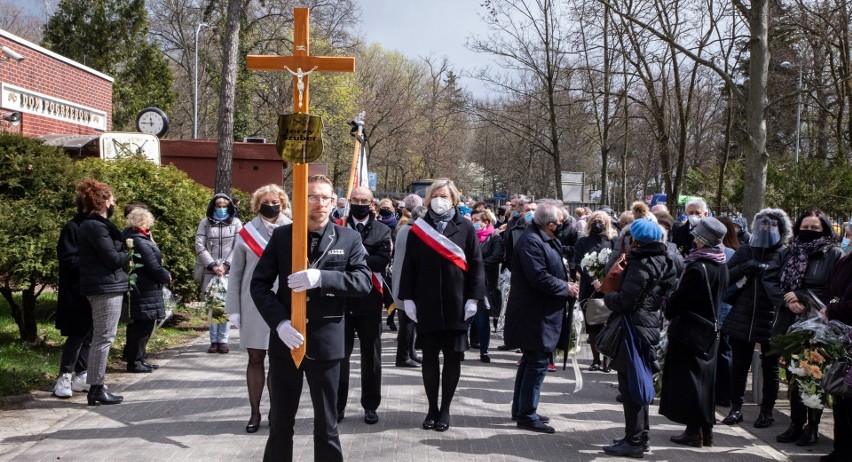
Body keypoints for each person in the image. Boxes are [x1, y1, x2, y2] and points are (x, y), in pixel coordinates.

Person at [250, 174, 372, 462]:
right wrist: (279, 323)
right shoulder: (283, 236)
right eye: (312, 197)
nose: (319, 203)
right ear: (301, 201)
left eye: (325, 197)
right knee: (280, 424)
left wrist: (322, 278)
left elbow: (363, 282)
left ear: (334, 202)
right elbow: (259, 285)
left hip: (327, 344)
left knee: (327, 426)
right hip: (286, 343)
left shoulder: (348, 237)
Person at [398, 178, 485, 433]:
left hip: (457, 304)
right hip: (427, 303)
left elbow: (477, 264)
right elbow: (408, 266)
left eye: (445, 195)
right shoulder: (419, 228)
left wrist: (474, 298)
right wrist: (408, 298)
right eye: (435, 195)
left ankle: (445, 409)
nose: (440, 199)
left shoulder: (466, 227)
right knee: (429, 359)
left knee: (452, 359)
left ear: (454, 199)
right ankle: (431, 408)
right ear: (428, 199)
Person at [601, 219, 677, 457]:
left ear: (635, 239)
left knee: (631, 386)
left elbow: (626, 300)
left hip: (633, 328)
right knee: (639, 382)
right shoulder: (667, 259)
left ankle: (633, 441)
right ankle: (640, 436)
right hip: (650, 324)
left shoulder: (640, 262)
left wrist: (609, 297)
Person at [505, 201, 578, 433]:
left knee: (531, 361)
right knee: (536, 363)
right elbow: (538, 276)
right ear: (549, 224)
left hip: (542, 311)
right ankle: (527, 414)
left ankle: (522, 408)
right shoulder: (531, 241)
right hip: (534, 313)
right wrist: (565, 287)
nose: (562, 225)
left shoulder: (542, 238)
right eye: (559, 221)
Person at [225, 184, 291, 433]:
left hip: (283, 302)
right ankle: (255, 412)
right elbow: (236, 274)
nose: (271, 204)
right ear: (257, 204)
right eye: (265, 201)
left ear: (283, 203)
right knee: (255, 358)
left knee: (278, 360)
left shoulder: (293, 229)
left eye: (275, 201)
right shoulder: (246, 233)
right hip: (253, 303)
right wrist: (233, 307)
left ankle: (277, 410)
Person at [774, 209, 844, 446]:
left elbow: (834, 289)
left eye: (815, 228)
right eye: (806, 226)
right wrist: (788, 298)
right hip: (789, 319)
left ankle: (812, 427)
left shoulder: (833, 253)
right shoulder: (789, 251)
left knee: (812, 372)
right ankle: (795, 423)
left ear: (824, 228)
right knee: (793, 374)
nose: (810, 231)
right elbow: (773, 280)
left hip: (818, 323)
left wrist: (802, 295)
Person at [660, 217, 730, 448]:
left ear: (702, 240)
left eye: (697, 236)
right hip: (710, 330)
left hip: (690, 332)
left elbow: (679, 302)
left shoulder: (697, 268)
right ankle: (706, 431)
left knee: (691, 382)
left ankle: (693, 432)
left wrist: (668, 303)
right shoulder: (721, 264)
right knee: (705, 381)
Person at [721, 208, 791, 429]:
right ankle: (735, 409)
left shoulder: (784, 253)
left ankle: (766, 412)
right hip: (743, 314)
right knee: (739, 365)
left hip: (770, 317)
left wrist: (767, 272)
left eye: (771, 225)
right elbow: (725, 277)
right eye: (762, 224)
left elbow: (787, 284)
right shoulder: (746, 250)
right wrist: (744, 268)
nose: (766, 229)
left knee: (770, 367)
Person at [336, 186, 392, 425]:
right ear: (350, 201)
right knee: (340, 356)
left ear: (372, 204)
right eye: (355, 200)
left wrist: (352, 258)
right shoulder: (337, 226)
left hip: (369, 300)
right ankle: (338, 406)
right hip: (340, 299)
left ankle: (370, 405)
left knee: (371, 356)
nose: (359, 203)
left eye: (364, 200)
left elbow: (381, 262)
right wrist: (363, 257)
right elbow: (329, 258)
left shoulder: (382, 230)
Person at [76, 179, 127, 405]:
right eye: (112, 198)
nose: (114, 202)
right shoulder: (95, 227)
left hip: (105, 284)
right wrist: (130, 251)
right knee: (104, 337)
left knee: (103, 336)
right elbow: (113, 259)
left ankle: (98, 385)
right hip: (104, 286)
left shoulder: (95, 226)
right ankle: (96, 387)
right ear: (104, 202)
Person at [53, 192, 93, 398]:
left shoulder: (96, 226)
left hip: (93, 289)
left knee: (89, 335)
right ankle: (64, 376)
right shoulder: (72, 227)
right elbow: (68, 259)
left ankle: (82, 374)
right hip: (75, 290)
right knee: (77, 334)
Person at [122, 207, 171, 373]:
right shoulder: (140, 241)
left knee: (142, 325)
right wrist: (166, 276)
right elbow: (153, 266)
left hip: (144, 288)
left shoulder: (135, 237)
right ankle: (135, 361)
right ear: (144, 221)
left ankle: (139, 358)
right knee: (142, 326)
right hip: (145, 288)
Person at [196, 193, 242, 354]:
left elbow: (239, 245)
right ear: (213, 206)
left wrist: (227, 265)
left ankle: (223, 340)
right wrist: (212, 265)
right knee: (213, 308)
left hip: (229, 272)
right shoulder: (205, 223)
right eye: (218, 206)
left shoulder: (236, 223)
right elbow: (200, 246)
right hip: (211, 272)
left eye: (224, 207)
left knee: (226, 307)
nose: (221, 209)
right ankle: (213, 341)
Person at [572, 210, 616, 371]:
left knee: (608, 324)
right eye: (595, 220)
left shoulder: (612, 240)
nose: (598, 223)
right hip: (589, 288)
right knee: (593, 325)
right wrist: (594, 280)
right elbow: (579, 262)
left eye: (601, 221)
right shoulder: (583, 242)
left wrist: (605, 281)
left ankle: (607, 360)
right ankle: (595, 359)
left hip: (608, 289)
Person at [819, 252, 852, 462]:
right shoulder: (847, 260)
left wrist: (833, 309)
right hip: (845, 338)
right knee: (843, 397)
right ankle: (841, 449)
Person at [391, 200, 426, 368]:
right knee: (407, 324)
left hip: (401, 283)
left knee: (408, 323)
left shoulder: (405, 229)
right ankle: (403, 356)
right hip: (406, 286)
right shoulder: (412, 232)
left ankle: (410, 353)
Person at [470, 209, 504, 363]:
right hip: (467, 280)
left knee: (482, 318)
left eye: (477, 220)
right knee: (465, 318)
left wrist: (477, 265)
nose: (474, 222)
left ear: (486, 222)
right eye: (473, 219)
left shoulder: (494, 238)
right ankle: (461, 349)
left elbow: (496, 256)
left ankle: (484, 350)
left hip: (485, 283)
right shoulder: (469, 236)